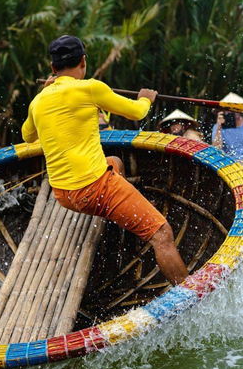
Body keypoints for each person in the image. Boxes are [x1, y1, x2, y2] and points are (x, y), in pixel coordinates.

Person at [22, 35, 188, 285]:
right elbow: (138, 111)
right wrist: (146, 97)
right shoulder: (91, 88)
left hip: (64, 195)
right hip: (96, 189)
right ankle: (191, 294)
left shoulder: (38, 100)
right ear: (84, 62)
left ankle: (126, 211)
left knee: (114, 162)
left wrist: (44, 94)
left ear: (53, 69)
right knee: (162, 234)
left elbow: (28, 136)